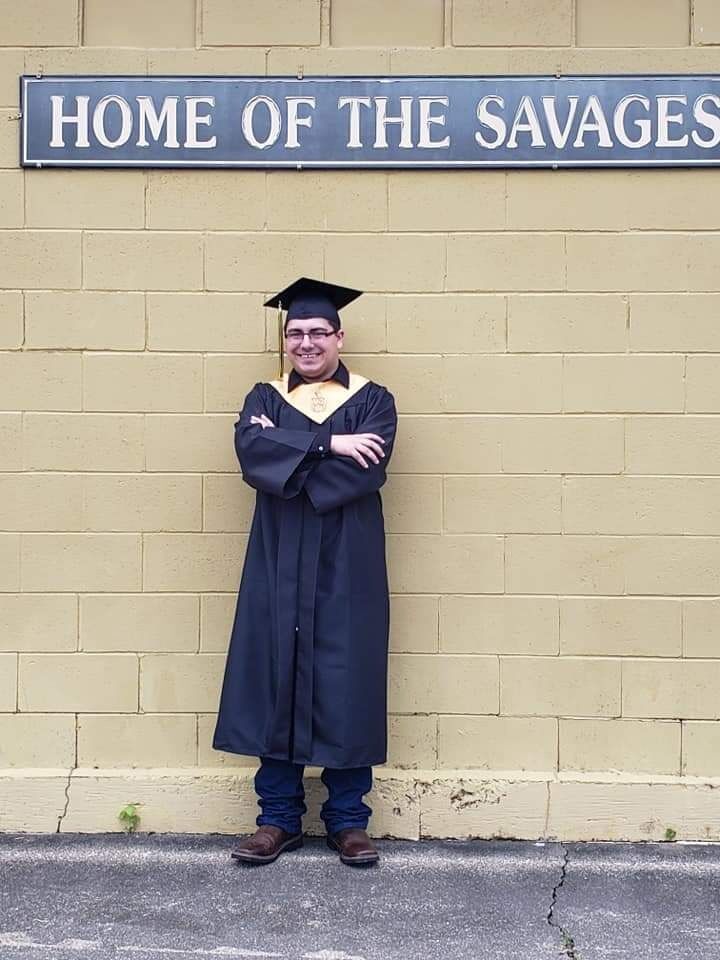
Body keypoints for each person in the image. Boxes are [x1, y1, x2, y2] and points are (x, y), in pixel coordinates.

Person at [212, 277, 398, 868]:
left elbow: (363, 471)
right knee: (275, 674)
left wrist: (291, 448)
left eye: (319, 332)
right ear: (285, 339)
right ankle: (278, 819)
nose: (307, 343)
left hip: (348, 559)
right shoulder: (263, 396)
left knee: (348, 679)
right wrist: (331, 445)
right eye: (296, 333)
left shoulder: (375, 401)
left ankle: (348, 821)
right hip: (278, 558)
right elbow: (252, 456)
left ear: (340, 336)